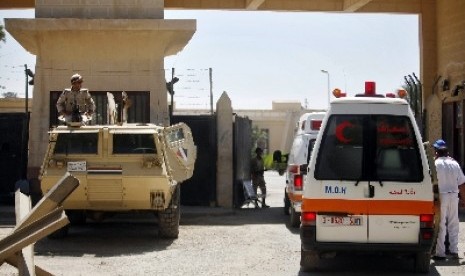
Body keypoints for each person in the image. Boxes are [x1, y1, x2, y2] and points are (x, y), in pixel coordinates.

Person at [432, 139, 465, 260]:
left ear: (436, 152)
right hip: (454, 196)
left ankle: (440, 253)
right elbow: (462, 183)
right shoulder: (454, 163)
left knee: (440, 225)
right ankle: (454, 251)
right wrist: (464, 200)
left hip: (441, 197)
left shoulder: (435, 164)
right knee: (453, 224)